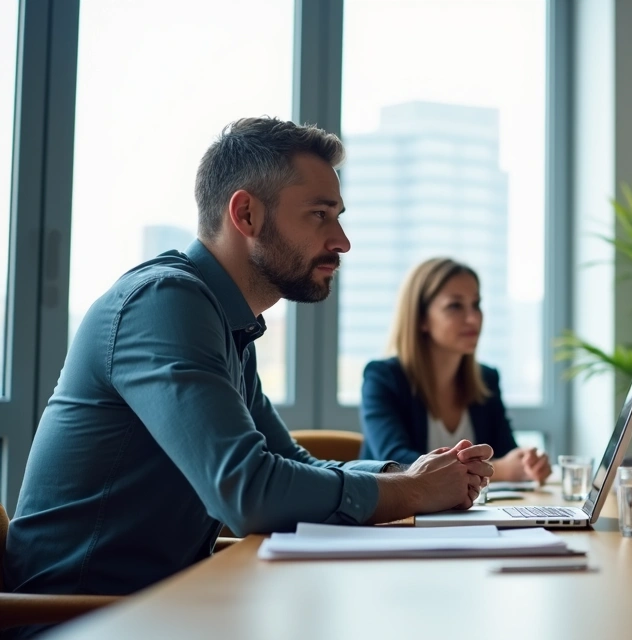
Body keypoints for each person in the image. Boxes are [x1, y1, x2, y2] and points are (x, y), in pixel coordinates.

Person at [2, 118, 494, 629]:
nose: (342, 241)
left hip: (166, 605)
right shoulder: (165, 303)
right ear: (246, 213)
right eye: (320, 215)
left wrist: (407, 474)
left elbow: (288, 462)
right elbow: (248, 491)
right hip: (78, 621)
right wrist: (413, 492)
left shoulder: (227, 322)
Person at [360, 258, 551, 484]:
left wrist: (528, 464)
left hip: (472, 516)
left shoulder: (487, 379)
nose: (473, 318)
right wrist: (497, 470)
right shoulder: (383, 378)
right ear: (422, 319)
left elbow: (505, 453)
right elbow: (395, 464)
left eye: (476, 304)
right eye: (455, 306)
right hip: (398, 517)